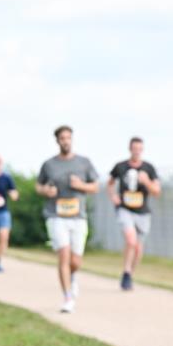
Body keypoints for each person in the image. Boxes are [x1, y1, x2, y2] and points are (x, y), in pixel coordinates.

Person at [36, 126, 99, 313]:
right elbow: (38, 186)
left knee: (76, 261)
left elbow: (95, 187)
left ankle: (72, 276)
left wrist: (81, 185)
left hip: (78, 216)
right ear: (57, 141)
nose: (65, 141)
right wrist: (46, 191)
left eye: (68, 138)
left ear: (72, 140)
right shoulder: (49, 165)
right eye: (62, 138)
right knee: (63, 254)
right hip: (56, 216)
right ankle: (68, 297)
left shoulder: (84, 163)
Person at [107, 137, 161, 290]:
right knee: (131, 240)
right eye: (134, 148)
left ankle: (129, 273)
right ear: (130, 149)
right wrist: (113, 196)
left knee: (138, 247)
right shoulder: (120, 166)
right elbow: (110, 183)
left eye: (139, 149)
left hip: (142, 212)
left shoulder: (149, 168)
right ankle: (126, 271)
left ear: (142, 150)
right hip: (125, 209)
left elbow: (157, 192)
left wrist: (146, 182)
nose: (136, 151)